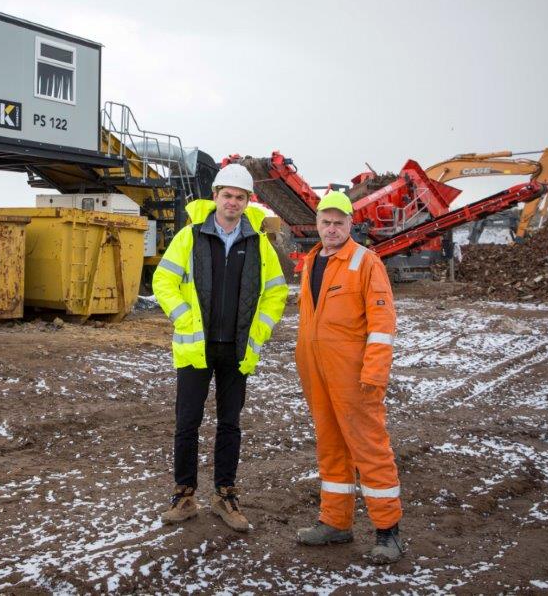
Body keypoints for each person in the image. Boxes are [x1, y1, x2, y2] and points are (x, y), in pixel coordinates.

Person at [152, 163, 289, 532]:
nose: (232, 202)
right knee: (187, 423)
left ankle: (225, 494)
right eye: (226, 195)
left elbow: (276, 292)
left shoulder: (259, 244)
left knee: (230, 424)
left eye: (239, 197)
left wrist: (257, 333)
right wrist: (182, 318)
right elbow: (163, 279)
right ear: (215, 197)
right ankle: (184, 495)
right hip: (195, 349)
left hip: (237, 351)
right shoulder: (190, 236)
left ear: (247, 202)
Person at [294, 190, 404, 563]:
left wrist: (374, 372)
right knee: (331, 446)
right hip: (318, 374)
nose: (332, 228)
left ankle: (388, 532)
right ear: (317, 224)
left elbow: (382, 322)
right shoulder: (312, 262)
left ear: (350, 224)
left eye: (339, 222)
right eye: (326, 222)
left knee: (369, 449)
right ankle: (336, 522)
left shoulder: (365, 261)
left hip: (355, 377)